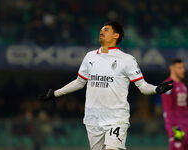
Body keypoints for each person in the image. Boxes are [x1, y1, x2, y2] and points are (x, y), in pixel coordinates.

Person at [39, 21, 173, 150]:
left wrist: (157, 89)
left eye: (106, 29)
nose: (101, 31)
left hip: (116, 117)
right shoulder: (90, 56)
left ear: (116, 35)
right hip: (93, 118)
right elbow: (79, 82)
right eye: (101, 30)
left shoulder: (127, 60)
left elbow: (142, 86)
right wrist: (56, 93)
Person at [161, 59, 188, 150]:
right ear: (172, 69)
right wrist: (174, 128)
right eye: (179, 68)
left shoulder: (182, 85)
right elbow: (167, 109)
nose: (183, 70)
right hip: (177, 126)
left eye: (183, 67)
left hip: (186, 124)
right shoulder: (168, 85)